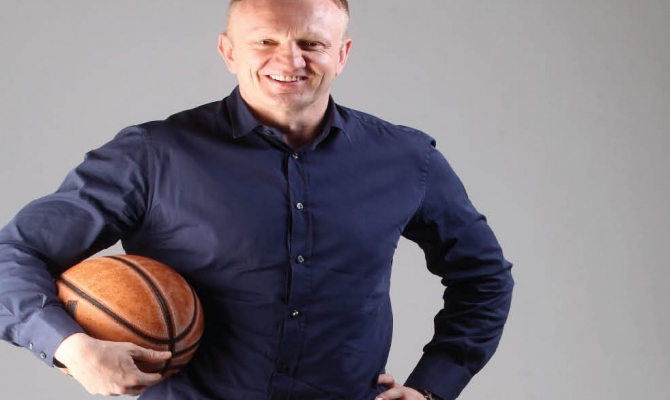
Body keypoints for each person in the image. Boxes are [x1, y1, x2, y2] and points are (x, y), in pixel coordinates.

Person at [0, 0, 514, 399]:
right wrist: (71, 347)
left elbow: (484, 277)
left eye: (312, 43)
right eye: (265, 40)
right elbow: (13, 254)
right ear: (228, 52)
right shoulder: (152, 154)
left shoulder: (406, 158)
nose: (289, 60)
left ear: (342, 54)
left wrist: (432, 387)